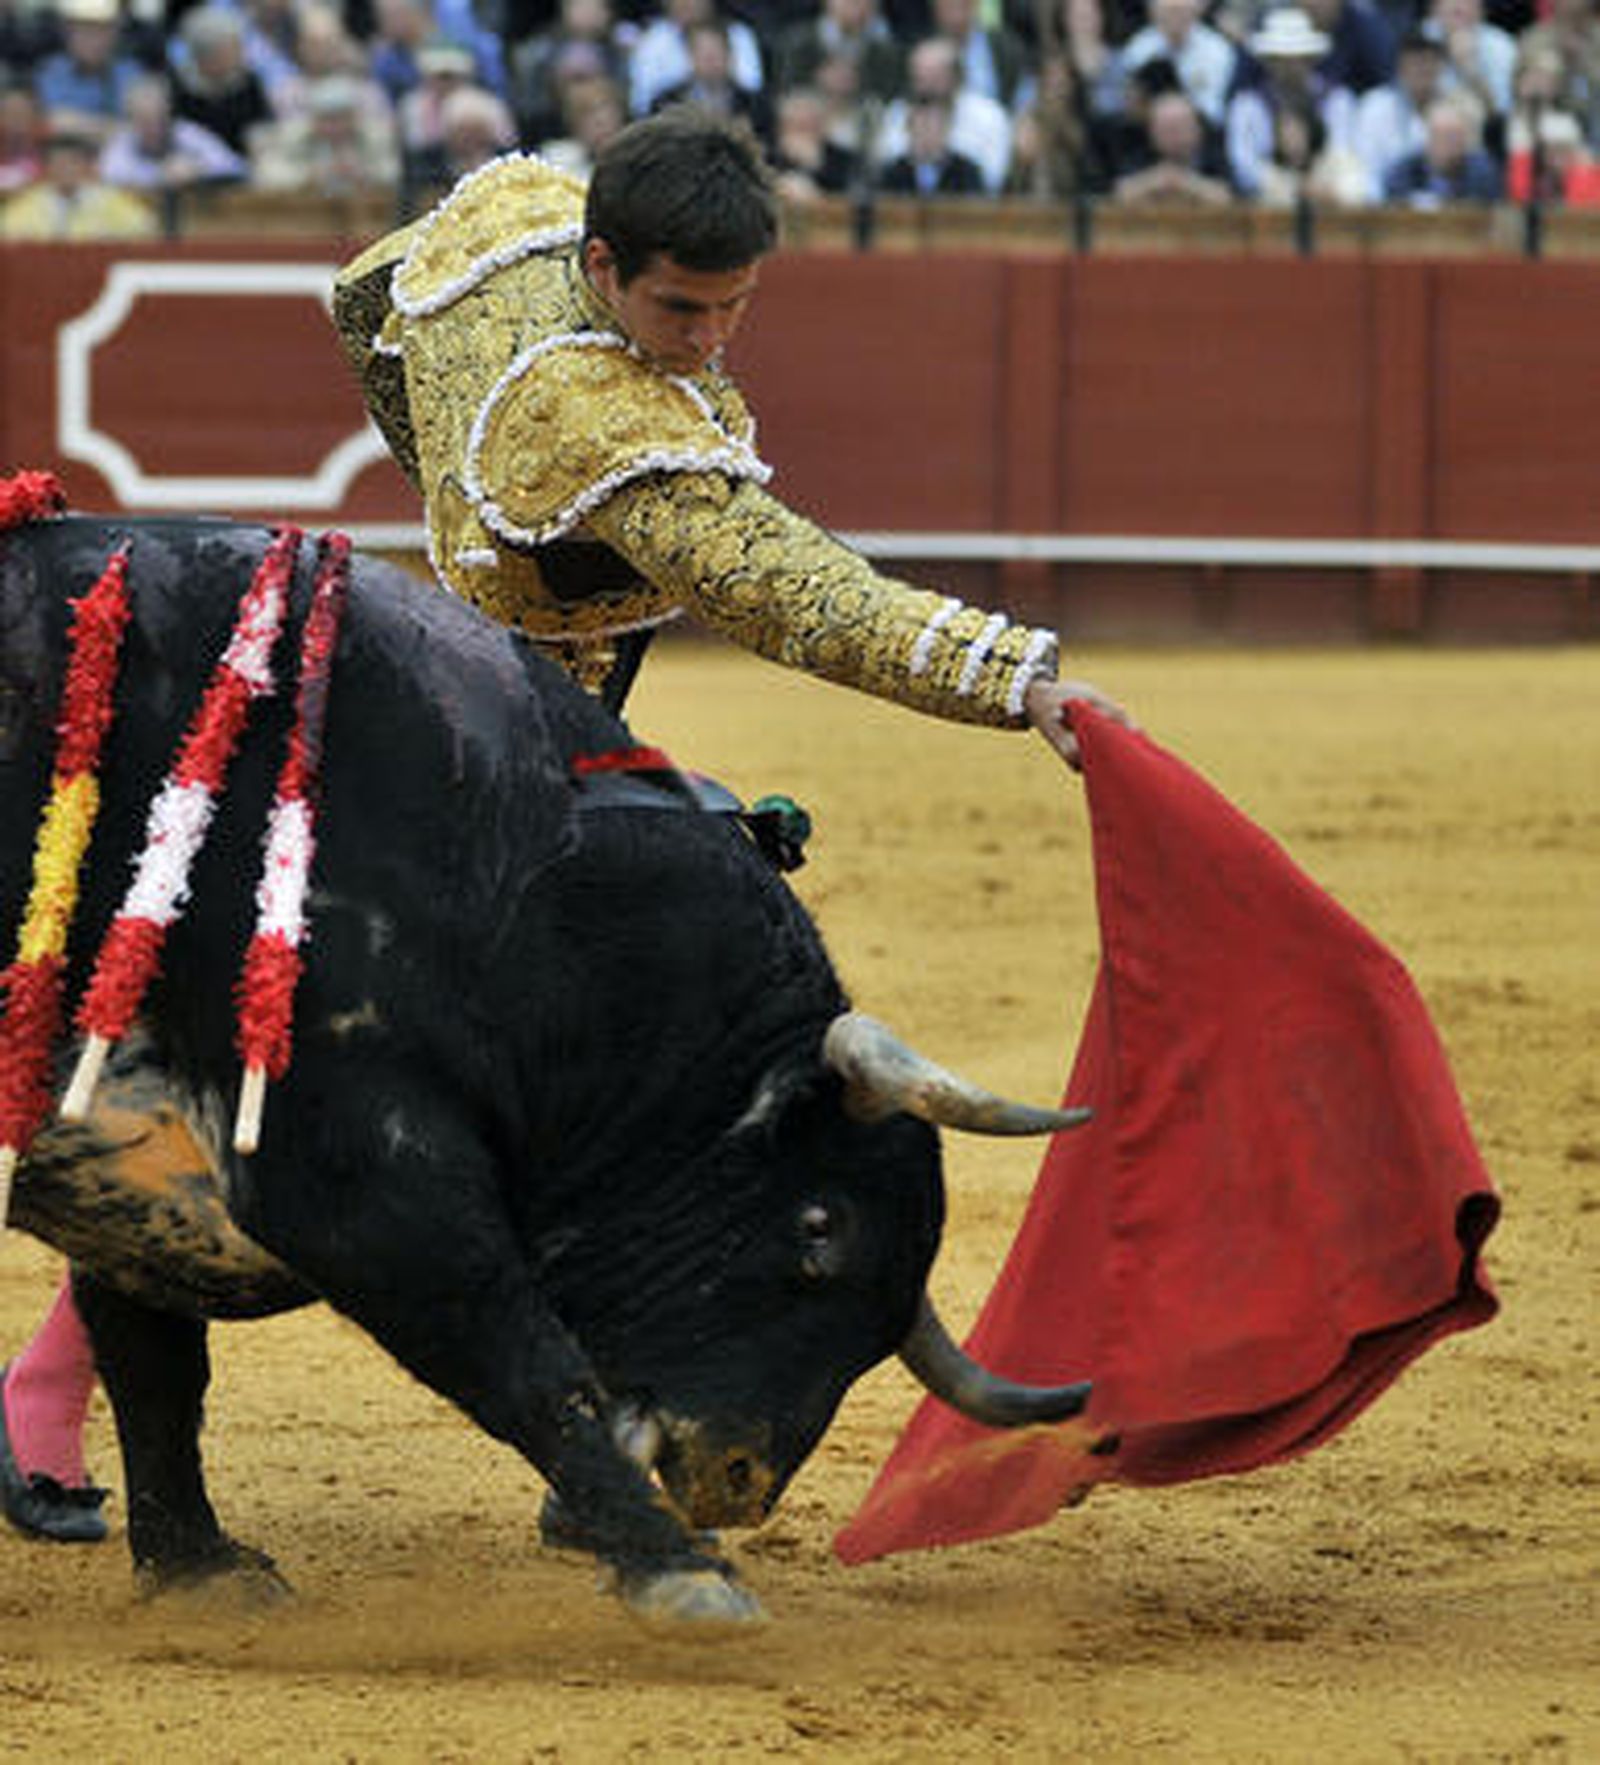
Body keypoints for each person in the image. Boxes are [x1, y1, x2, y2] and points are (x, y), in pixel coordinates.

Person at [1381, 88, 1502, 201]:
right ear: (1429, 138)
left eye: (1453, 136)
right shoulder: (1404, 172)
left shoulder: (1482, 173)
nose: (1447, 145)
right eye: (1440, 136)